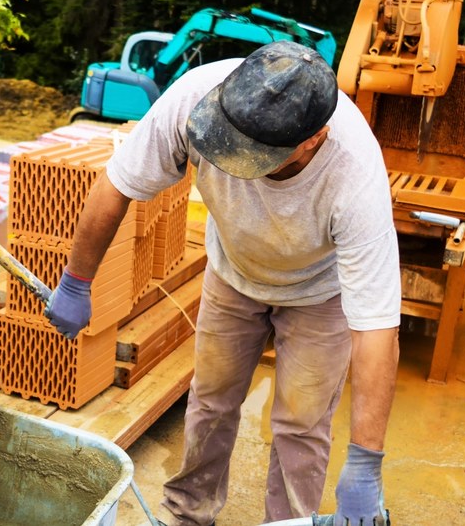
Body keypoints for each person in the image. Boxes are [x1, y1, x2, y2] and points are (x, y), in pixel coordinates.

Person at [47, 41, 399, 526]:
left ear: (312, 139)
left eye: (254, 154)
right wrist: (76, 280)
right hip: (233, 273)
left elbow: (377, 329)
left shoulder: (354, 174)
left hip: (320, 293)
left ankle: (287, 525)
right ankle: (187, 514)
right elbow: (116, 185)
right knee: (211, 401)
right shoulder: (196, 97)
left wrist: (366, 462)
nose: (235, 160)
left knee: (302, 425)